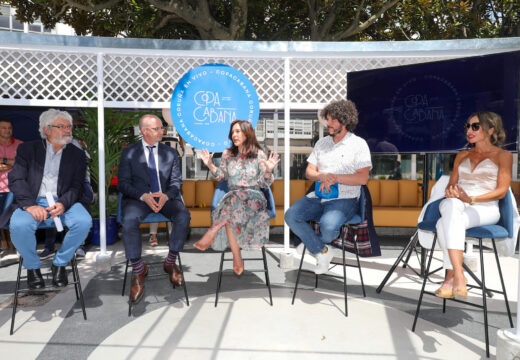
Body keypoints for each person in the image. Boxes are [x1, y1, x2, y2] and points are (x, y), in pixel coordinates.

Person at [0, 109, 92, 289]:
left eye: (69, 126)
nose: (68, 130)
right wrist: (29, 206)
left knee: (84, 221)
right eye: (61, 126)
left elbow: (77, 186)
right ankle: (33, 267)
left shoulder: (76, 154)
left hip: (64, 200)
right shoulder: (28, 149)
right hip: (33, 201)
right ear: (47, 129)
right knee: (19, 225)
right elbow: (16, 179)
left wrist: (64, 203)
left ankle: (60, 263)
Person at [284, 99, 372, 274]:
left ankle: (312, 246)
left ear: (345, 121)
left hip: (345, 199)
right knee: (291, 215)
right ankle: (322, 250)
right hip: (318, 197)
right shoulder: (321, 143)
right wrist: (321, 176)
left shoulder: (359, 144)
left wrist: (335, 178)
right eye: (327, 119)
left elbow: (363, 178)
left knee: (329, 227)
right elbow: (309, 172)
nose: (328, 124)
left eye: (333, 120)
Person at [434, 111, 512, 299]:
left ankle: (451, 276)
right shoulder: (462, 155)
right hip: (459, 205)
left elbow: (501, 191)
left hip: (486, 207)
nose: (469, 130)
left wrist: (471, 200)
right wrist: (452, 191)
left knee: (442, 223)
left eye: (475, 126)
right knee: (450, 206)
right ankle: (460, 274)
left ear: (490, 129)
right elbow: (452, 185)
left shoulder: (504, 156)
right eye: (467, 126)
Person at [118, 114, 190, 303]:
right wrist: (143, 196)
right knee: (129, 221)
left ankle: (170, 261)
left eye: (162, 128)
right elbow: (123, 184)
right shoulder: (129, 153)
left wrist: (166, 195)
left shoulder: (170, 153)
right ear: (144, 131)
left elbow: (176, 182)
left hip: (164, 197)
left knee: (183, 216)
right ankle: (138, 270)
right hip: (139, 199)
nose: (162, 131)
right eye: (157, 129)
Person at [193, 120, 280, 275]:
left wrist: (268, 170)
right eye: (233, 132)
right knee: (231, 211)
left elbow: (263, 183)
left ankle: (212, 232)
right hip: (233, 200)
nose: (234, 135)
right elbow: (222, 176)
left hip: (254, 199)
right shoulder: (228, 154)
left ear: (248, 133)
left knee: (231, 203)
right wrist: (210, 165)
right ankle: (237, 257)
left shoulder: (259, 154)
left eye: (238, 131)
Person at [147, 120, 179, 247]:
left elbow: (178, 156)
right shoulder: (173, 140)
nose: (162, 130)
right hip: (159, 179)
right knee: (156, 201)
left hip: (167, 179)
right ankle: (161, 235)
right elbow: (180, 154)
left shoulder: (173, 140)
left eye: (163, 127)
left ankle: (155, 235)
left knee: (167, 202)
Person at [0, 118, 22, 210]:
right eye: (4, 128)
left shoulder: (20, 145)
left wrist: (3, 160)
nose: (7, 130)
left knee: (7, 219)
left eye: (9, 128)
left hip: (14, 189)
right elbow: (17, 162)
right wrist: (12, 163)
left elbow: (24, 163)